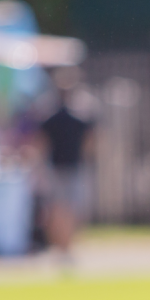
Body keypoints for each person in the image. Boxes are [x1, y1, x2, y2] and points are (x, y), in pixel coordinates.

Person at [38, 67, 96, 264]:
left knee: (60, 209)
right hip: (68, 168)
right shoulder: (77, 117)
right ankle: (65, 247)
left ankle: (62, 247)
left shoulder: (51, 117)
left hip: (61, 167)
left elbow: (40, 143)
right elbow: (91, 142)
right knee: (66, 210)